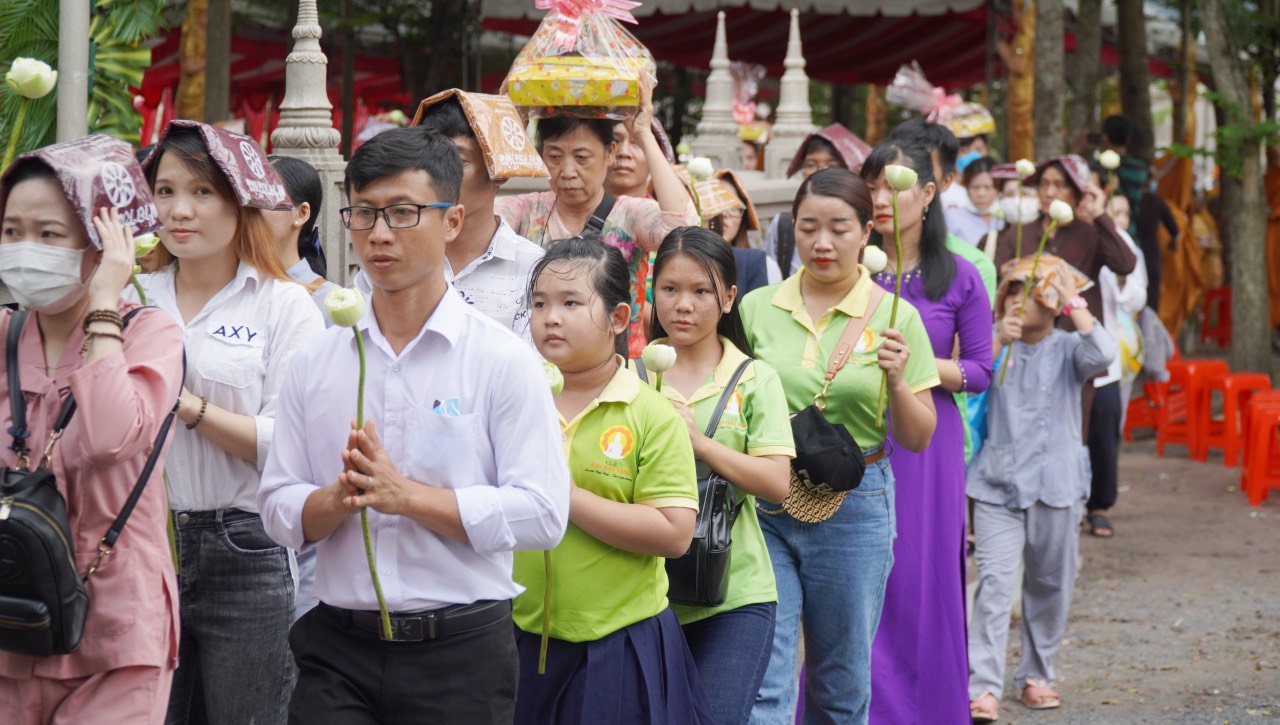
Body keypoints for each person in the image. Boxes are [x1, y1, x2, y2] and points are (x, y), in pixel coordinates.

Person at [259, 126, 570, 723]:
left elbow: (543, 513)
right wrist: (336, 499)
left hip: (460, 653)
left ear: (452, 221)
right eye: (365, 213)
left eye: (403, 213)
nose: (379, 234)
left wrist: (410, 498)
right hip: (338, 648)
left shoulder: (501, 360)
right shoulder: (317, 360)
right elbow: (276, 506)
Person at [128, 120, 326, 724]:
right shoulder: (131, 295)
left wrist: (185, 406)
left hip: (246, 547)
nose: (178, 210)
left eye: (202, 191)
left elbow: (290, 445)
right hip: (138, 547)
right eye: (164, 192)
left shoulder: (284, 303)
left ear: (241, 200)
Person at [741, 168, 939, 724]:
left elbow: (919, 435)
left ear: (868, 232)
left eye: (838, 228)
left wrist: (899, 380)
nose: (822, 243)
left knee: (841, 682)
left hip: (857, 506)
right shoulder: (756, 308)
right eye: (808, 228)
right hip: (767, 501)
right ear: (792, 232)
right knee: (765, 675)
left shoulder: (898, 317)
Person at [0, 138, 185, 724]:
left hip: (115, 631)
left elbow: (109, 439)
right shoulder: (4, 334)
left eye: (49, 234)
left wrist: (105, 302)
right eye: (11, 231)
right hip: (11, 618)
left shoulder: (152, 333)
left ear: (104, 244)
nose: (25, 249)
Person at [513, 237, 710, 723]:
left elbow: (673, 532)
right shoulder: (514, 398)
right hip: (514, 633)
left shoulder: (650, 413)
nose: (550, 317)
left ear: (619, 319)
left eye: (571, 303)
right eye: (539, 303)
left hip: (617, 643)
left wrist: (562, 494)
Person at [860, 142, 993, 725]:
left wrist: (914, 364)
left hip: (928, 443)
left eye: (896, 185)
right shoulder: (846, 270)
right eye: (872, 186)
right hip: (856, 437)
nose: (882, 198)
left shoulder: (960, 277)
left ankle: (929, 711)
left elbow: (981, 371)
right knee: (859, 576)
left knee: (919, 574)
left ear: (930, 194)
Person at [645, 227, 795, 724]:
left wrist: (700, 443)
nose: (683, 304)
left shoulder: (755, 378)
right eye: (670, 289)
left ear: (729, 298)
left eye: (701, 291)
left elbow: (777, 483)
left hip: (736, 593)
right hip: (644, 591)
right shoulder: (629, 374)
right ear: (652, 292)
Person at [967, 256, 1115, 722]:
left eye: (1028, 292)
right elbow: (965, 383)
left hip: (1057, 485)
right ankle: (983, 686)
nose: (1016, 301)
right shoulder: (993, 347)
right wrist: (996, 342)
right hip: (996, 485)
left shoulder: (1071, 349)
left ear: (1051, 304)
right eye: (1011, 292)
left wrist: (1073, 299)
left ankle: (1036, 674)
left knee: (1051, 584)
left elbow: (1104, 354)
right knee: (992, 585)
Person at [496, 82, 697, 357]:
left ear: (610, 153)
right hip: (542, 369)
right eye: (554, 157)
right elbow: (471, 217)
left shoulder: (630, 214)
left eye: (582, 157)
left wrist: (643, 133)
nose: (567, 171)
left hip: (620, 372)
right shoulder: (525, 211)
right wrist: (503, 129)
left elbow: (684, 227)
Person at [1087, 192, 1147, 539]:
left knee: (1104, 426)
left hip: (1106, 351)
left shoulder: (1113, 236)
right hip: (1064, 351)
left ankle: (1099, 505)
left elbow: (1136, 291)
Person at [888, 117, 997, 303]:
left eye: (921, 170)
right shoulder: (855, 254)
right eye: (897, 169)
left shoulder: (975, 267)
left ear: (946, 181)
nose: (903, 182)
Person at [762, 123, 872, 277]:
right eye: (808, 230)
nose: (822, 245)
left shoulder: (881, 300)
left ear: (865, 233)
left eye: (839, 231)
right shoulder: (782, 226)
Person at [266, 156, 338, 311]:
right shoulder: (230, 287)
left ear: (301, 214)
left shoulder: (330, 301)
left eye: (266, 199)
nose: (251, 210)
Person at [703, 169, 782, 295]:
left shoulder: (763, 264)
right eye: (717, 204)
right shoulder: (685, 260)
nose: (724, 214)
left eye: (734, 208)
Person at [1101, 115, 1149, 234]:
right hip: (1131, 229)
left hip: (1106, 230)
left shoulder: (1098, 168)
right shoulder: (1140, 168)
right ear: (1128, 139)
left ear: (1105, 138)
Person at [945, 156, 1003, 250]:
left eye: (988, 187)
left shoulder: (1005, 218)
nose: (981, 194)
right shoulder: (952, 217)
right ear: (966, 188)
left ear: (998, 188)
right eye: (975, 187)